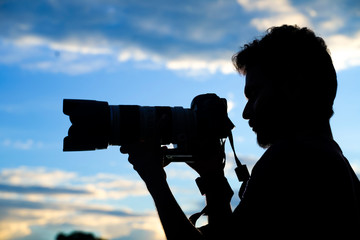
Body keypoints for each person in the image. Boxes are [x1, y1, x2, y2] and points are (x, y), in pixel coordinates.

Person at [121, 25, 360, 239]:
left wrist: (153, 176)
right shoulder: (334, 163)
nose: (246, 113)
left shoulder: (292, 157)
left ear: (293, 86)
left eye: (254, 93)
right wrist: (212, 176)